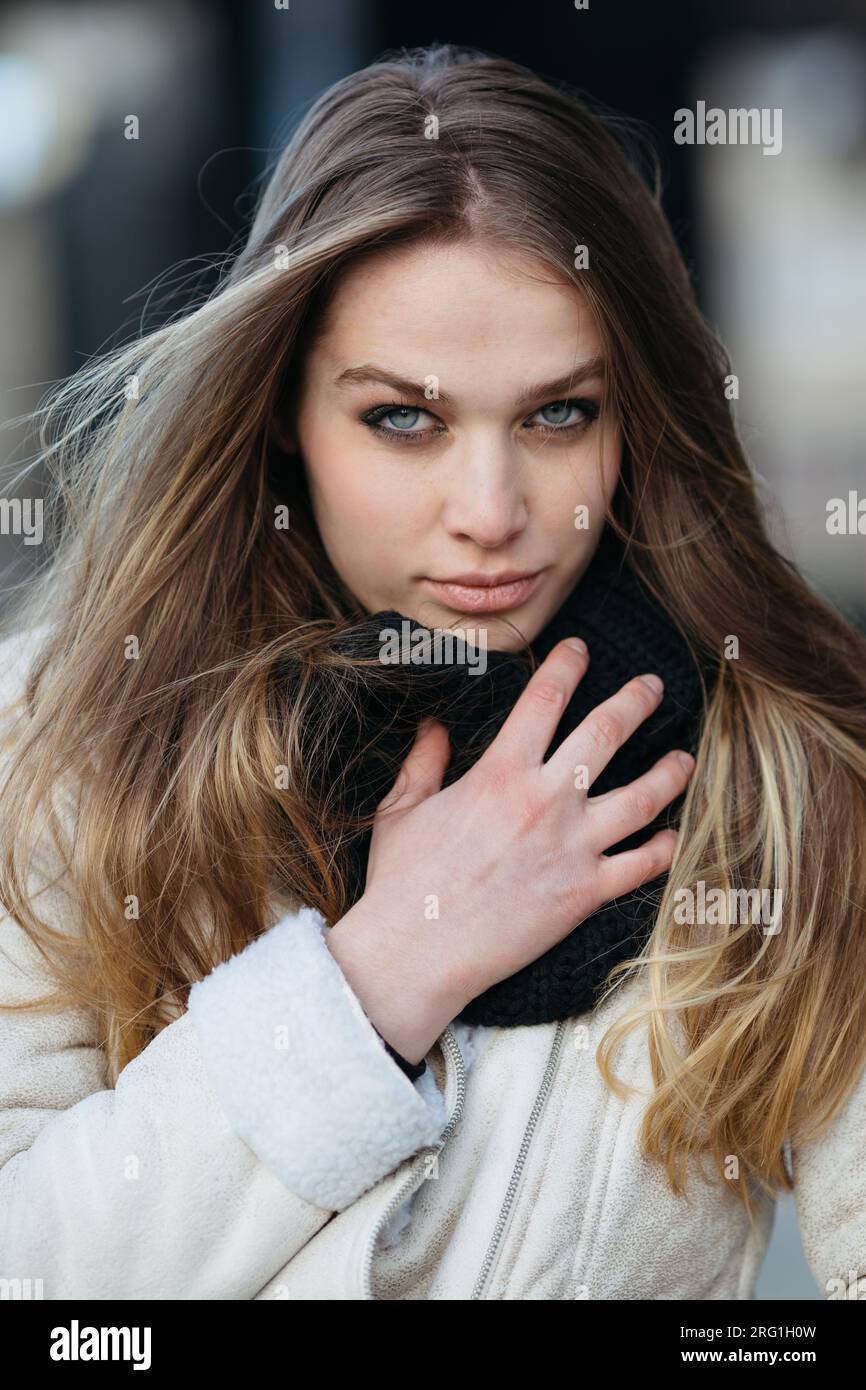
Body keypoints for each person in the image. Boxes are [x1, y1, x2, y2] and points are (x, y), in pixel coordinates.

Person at [1, 42, 865, 1302]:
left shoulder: (781, 768)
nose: (489, 509)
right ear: (281, 414)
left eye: (557, 413)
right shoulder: (58, 735)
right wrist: (381, 973)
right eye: (402, 418)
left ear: (637, 416)